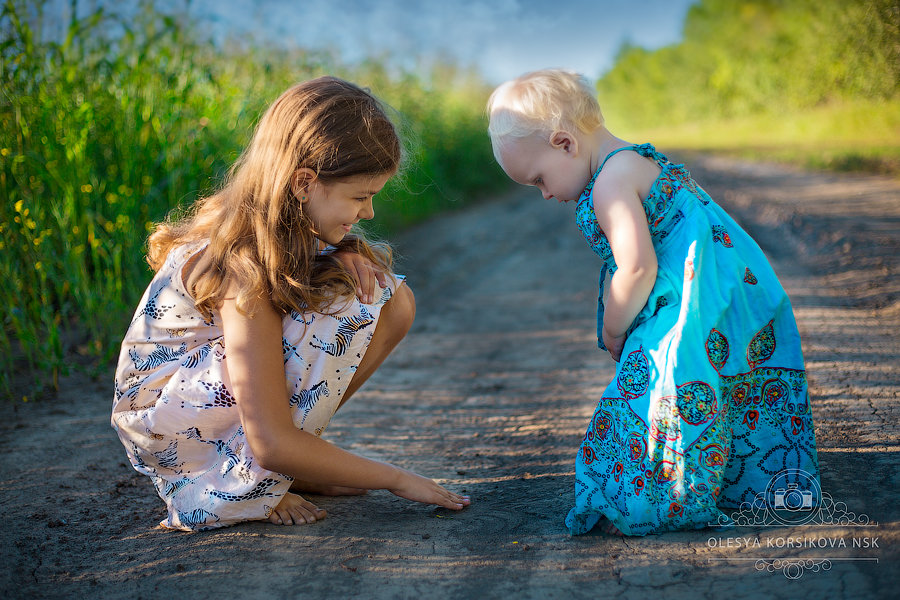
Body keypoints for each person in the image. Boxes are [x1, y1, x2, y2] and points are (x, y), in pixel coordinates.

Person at [112, 76, 470, 531]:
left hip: (201, 403)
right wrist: (396, 479)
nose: (369, 212)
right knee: (347, 309)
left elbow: (309, 267)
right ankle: (242, 483)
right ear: (304, 182)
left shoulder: (272, 230)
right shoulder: (241, 269)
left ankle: (282, 468)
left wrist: (345, 250)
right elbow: (270, 441)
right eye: (360, 197)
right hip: (168, 425)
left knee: (388, 299)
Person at [486, 69, 819, 536]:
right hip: (730, 289)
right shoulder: (638, 160)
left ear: (565, 143)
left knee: (661, 386)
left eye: (539, 179)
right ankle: (740, 477)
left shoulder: (609, 186)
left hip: (691, 299)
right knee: (713, 379)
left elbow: (637, 267)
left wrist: (613, 329)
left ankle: (670, 491)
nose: (544, 194)